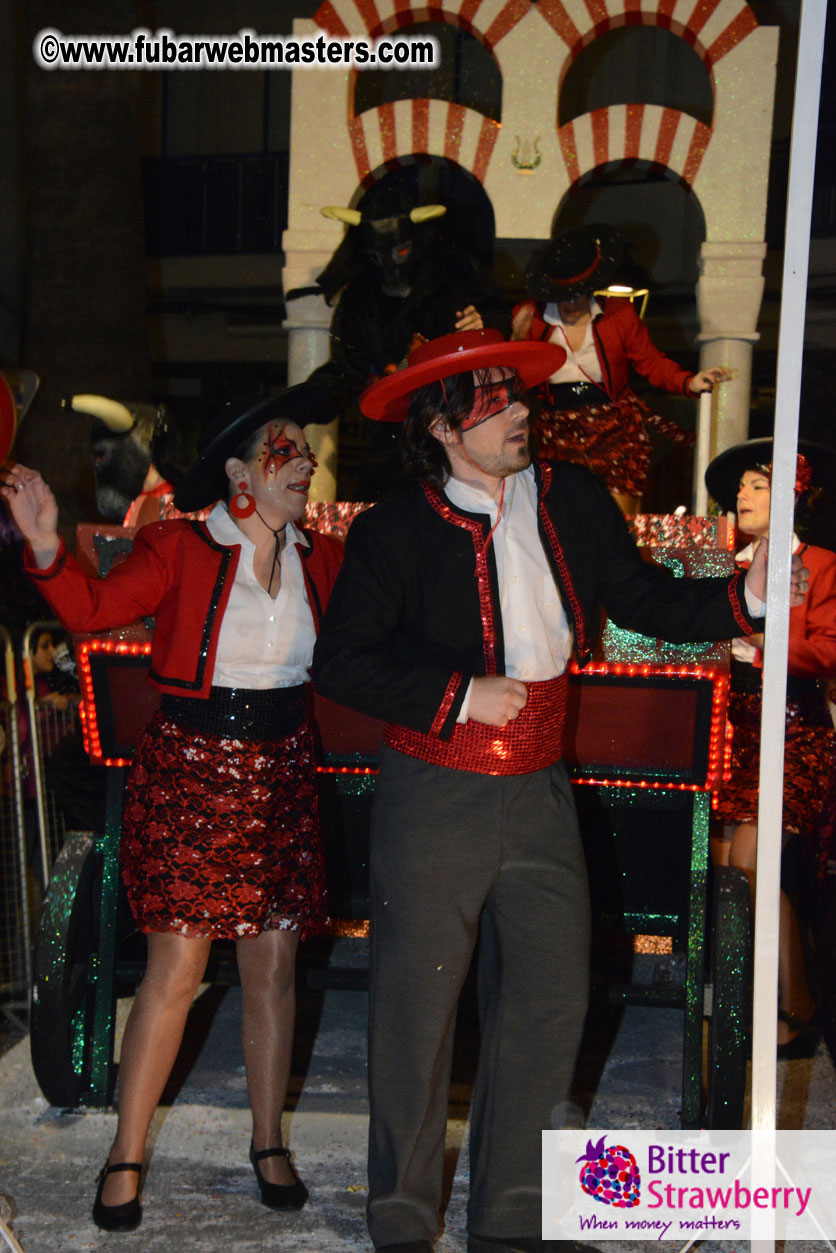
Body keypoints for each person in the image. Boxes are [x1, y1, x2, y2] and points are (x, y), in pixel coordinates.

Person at [311, 328, 802, 1253]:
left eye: (517, 391)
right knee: (416, 1009)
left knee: (549, 997)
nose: (521, 411)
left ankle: (513, 1212)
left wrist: (750, 598)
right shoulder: (394, 529)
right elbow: (342, 661)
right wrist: (458, 695)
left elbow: (645, 597)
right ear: (442, 425)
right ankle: (403, 1218)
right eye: (494, 398)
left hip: (540, 787)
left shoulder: (569, 497)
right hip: (434, 791)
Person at [1, 388, 343, 1233]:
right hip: (191, 769)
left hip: (282, 773)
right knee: (177, 972)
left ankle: (268, 1140)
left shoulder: (325, 558)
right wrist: (45, 544)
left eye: (305, 446)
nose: (304, 459)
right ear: (237, 472)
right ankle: (126, 1151)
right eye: (283, 447)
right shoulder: (179, 546)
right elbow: (90, 610)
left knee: (272, 967)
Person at [706, 437, 836, 1058]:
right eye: (740, 488)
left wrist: (760, 646)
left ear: (791, 495)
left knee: (753, 868)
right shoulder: (724, 567)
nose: (743, 495)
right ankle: (753, 1004)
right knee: (730, 873)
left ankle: (794, 1008)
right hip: (730, 736)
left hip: (792, 733)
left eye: (758, 485)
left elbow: (830, 651)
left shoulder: (821, 563)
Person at [512, 224, 730, 515]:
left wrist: (688, 381)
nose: (571, 303)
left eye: (579, 294)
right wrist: (516, 339)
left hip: (614, 426)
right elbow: (513, 378)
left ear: (591, 287)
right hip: (558, 430)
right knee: (564, 516)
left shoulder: (619, 314)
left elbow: (650, 361)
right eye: (564, 295)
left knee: (618, 516)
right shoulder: (531, 318)